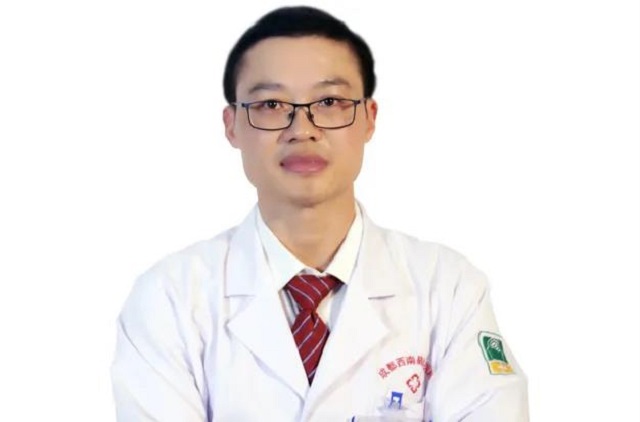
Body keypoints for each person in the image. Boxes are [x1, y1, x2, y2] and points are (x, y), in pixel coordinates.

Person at [111, 6, 529, 421]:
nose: (302, 130)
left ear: (369, 119)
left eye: (330, 101)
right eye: (271, 104)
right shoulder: (169, 299)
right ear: (231, 125)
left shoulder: (448, 288)